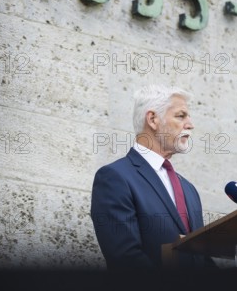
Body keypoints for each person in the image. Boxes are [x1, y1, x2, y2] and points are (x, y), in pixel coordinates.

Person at [90, 84, 213, 270]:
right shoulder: (115, 178)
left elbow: (201, 259)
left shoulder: (189, 189)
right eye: (181, 116)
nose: (190, 124)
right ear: (153, 119)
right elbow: (125, 258)